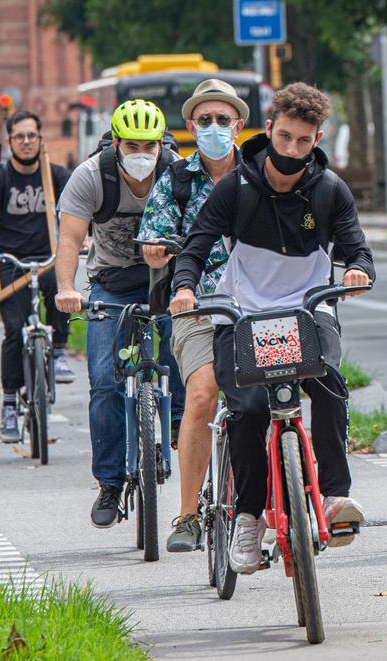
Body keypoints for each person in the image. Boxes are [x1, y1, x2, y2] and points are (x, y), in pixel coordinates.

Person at [169, 82, 373, 574]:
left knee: (329, 388)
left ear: (317, 138)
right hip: (242, 312)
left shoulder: (329, 190)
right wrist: (183, 288)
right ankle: (246, 518)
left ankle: (333, 498)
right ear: (269, 130)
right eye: (284, 137)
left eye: (304, 141)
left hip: (308, 311)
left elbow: (357, 246)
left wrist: (356, 270)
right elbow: (196, 246)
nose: (291, 150)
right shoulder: (234, 187)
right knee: (249, 408)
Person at [53, 100, 185, 528]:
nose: (142, 153)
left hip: (165, 279)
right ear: (115, 142)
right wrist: (67, 289)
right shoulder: (90, 177)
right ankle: (109, 483)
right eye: (132, 144)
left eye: (150, 144)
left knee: (183, 350)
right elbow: (70, 239)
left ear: (162, 142)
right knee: (105, 382)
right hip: (111, 282)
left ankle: (181, 422)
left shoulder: (178, 173)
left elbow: (202, 228)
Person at [138, 79, 246, 552]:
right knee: (201, 393)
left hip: (258, 306)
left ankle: (270, 500)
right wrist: (159, 254)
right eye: (206, 121)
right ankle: (187, 515)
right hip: (196, 305)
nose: (216, 128)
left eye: (224, 120)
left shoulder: (262, 173)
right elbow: (151, 243)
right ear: (190, 126)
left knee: (269, 400)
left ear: (239, 125)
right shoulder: (176, 180)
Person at [0, 110, 74, 443]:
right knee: (14, 331)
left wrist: (83, 237)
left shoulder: (54, 174)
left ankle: (57, 352)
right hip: (10, 262)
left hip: (47, 256)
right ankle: (10, 403)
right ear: (10, 141)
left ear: (41, 140)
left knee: (61, 285)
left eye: (31, 136)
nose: (26, 142)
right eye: (19, 137)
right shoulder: (0, 176)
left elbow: (78, 209)